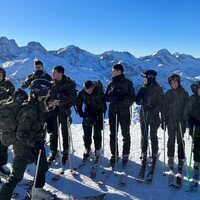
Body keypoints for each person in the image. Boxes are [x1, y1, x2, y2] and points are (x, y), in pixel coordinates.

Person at [0, 79, 54, 200]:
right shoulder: (28, 109)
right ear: (40, 92)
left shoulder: (38, 104)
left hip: (36, 144)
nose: (49, 93)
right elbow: (21, 134)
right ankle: (3, 196)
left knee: (42, 167)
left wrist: (49, 115)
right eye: (47, 91)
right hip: (23, 147)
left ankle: (37, 192)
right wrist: (35, 143)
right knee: (16, 176)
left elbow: (40, 116)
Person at [105, 64, 135, 168]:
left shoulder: (127, 83)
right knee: (113, 134)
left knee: (125, 134)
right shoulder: (111, 83)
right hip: (113, 112)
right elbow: (106, 96)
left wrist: (121, 99)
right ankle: (115, 154)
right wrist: (112, 98)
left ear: (119, 71)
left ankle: (125, 154)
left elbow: (131, 99)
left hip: (124, 113)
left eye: (114, 71)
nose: (112, 72)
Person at [46, 66, 77, 164]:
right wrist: (48, 103)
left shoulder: (69, 83)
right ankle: (53, 151)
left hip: (64, 111)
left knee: (64, 131)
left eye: (54, 72)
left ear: (60, 73)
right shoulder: (52, 83)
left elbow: (72, 97)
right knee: (53, 131)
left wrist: (58, 102)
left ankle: (66, 150)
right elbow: (48, 96)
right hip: (53, 111)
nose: (53, 74)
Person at [136, 70, 163, 169]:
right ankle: (144, 152)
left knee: (153, 135)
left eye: (145, 77)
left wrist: (153, 107)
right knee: (144, 135)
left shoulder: (157, 88)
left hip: (154, 117)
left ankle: (154, 153)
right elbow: (137, 99)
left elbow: (161, 103)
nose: (144, 79)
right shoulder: (143, 88)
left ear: (151, 77)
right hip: (144, 115)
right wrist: (139, 100)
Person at [163, 74, 189, 174]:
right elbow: (164, 108)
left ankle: (181, 159)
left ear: (178, 82)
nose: (173, 84)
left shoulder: (184, 94)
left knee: (180, 141)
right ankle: (170, 158)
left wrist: (184, 118)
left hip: (180, 122)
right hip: (170, 121)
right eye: (171, 82)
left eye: (175, 82)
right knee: (171, 140)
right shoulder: (168, 94)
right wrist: (164, 120)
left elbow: (187, 108)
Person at [0, 89, 28, 177]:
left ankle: (2, 167)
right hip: (5, 133)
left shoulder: (17, 107)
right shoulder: (6, 105)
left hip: (8, 134)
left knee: (3, 149)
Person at [76, 80, 106, 162]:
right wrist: (81, 114)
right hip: (88, 114)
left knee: (97, 133)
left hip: (98, 114)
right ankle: (87, 148)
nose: (87, 91)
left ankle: (97, 150)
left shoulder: (99, 92)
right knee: (86, 134)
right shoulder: (82, 93)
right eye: (86, 89)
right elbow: (78, 104)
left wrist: (101, 116)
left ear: (93, 86)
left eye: (89, 89)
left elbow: (104, 105)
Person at [184, 81, 200, 184]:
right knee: (197, 147)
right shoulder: (191, 99)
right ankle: (197, 163)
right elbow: (186, 113)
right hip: (195, 128)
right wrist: (190, 121)